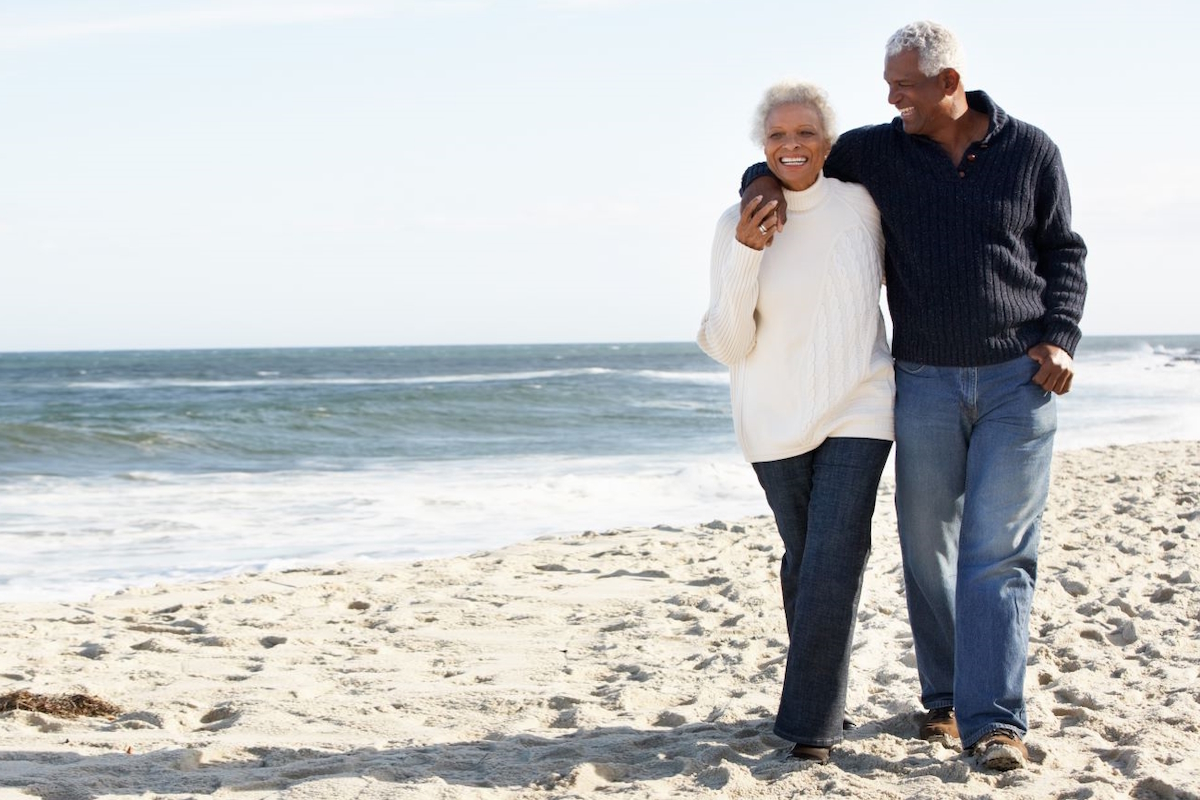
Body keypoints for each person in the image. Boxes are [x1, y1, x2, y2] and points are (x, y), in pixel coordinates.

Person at [741, 21, 1087, 771]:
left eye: (904, 85)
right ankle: (944, 701)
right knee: (929, 551)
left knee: (998, 554)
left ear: (948, 83)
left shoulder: (1031, 152)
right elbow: (794, 157)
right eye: (889, 84)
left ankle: (994, 722)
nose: (891, 96)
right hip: (922, 380)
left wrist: (1061, 334)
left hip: (1017, 382)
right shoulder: (880, 150)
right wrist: (758, 183)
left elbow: (1064, 251)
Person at [699, 80, 895, 764]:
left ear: (828, 143)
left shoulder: (862, 206)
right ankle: (823, 696)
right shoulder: (736, 221)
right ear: (763, 146)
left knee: (836, 555)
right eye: (778, 136)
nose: (792, 146)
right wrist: (748, 253)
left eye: (805, 133)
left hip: (860, 404)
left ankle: (809, 726)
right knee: (808, 561)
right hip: (772, 419)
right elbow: (727, 344)